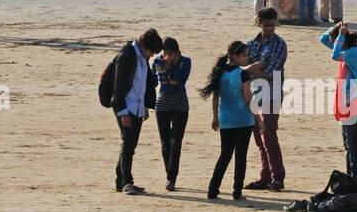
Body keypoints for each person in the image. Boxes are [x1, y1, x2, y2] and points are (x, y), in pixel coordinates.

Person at [199, 41, 263, 200]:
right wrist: (259, 120)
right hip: (243, 119)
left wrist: (215, 116)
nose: (246, 59)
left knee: (225, 155)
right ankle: (237, 191)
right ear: (234, 56)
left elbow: (215, 98)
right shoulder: (243, 73)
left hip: (226, 119)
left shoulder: (220, 72)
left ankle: (212, 189)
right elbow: (248, 100)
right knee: (240, 156)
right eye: (244, 56)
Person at [111, 28, 164, 195]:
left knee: (130, 145)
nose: (151, 55)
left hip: (138, 107)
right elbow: (118, 86)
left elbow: (144, 85)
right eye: (151, 52)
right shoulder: (127, 57)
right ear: (144, 47)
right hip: (126, 107)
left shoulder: (142, 58)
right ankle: (126, 182)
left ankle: (122, 181)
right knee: (128, 145)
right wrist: (123, 112)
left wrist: (146, 107)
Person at [245, 7, 287, 191]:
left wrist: (250, 69)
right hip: (254, 93)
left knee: (268, 134)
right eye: (267, 25)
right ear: (259, 23)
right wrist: (255, 68)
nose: (270, 29)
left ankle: (277, 177)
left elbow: (269, 72)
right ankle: (265, 176)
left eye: (273, 25)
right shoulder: (250, 44)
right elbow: (245, 66)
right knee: (258, 138)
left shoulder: (279, 44)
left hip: (272, 93)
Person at [320, 21, 357, 184]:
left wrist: (341, 35)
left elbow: (334, 55)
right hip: (344, 100)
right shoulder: (345, 49)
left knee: (352, 144)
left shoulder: (353, 51)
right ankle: (351, 177)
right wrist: (335, 28)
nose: (334, 44)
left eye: (338, 40)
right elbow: (323, 39)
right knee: (347, 144)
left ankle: (356, 180)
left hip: (352, 100)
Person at [151, 37, 191, 191]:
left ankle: (171, 178)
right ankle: (169, 173)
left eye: (171, 52)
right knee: (165, 144)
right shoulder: (156, 62)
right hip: (162, 105)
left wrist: (171, 67)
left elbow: (181, 80)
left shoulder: (185, 61)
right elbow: (153, 82)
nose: (168, 55)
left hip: (180, 105)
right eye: (166, 52)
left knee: (176, 143)